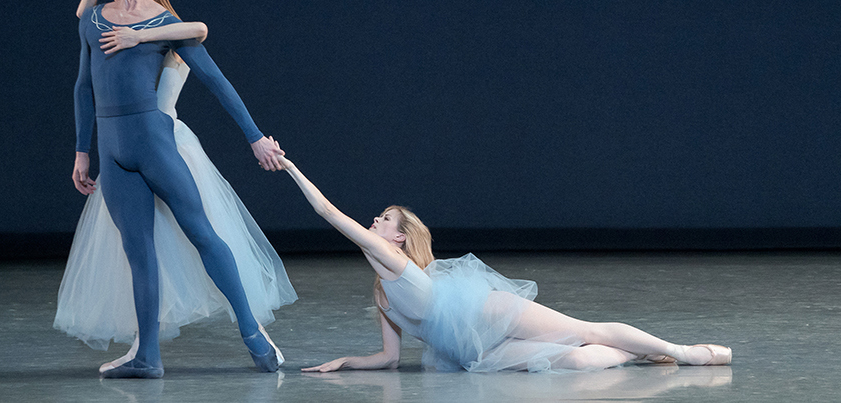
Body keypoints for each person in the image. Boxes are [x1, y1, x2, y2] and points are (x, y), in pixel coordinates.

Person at [276, 155, 732, 373]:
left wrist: (291, 166)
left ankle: (685, 351)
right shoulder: (380, 292)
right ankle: (637, 353)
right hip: (466, 348)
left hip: (485, 312)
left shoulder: (393, 260)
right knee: (567, 363)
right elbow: (390, 359)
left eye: (385, 219)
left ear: (398, 238)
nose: (374, 220)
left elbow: (329, 214)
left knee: (584, 329)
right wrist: (346, 362)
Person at [57, 0, 296, 374]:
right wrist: (82, 151)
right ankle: (148, 355)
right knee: (138, 250)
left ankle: (251, 330)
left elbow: (215, 79)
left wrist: (254, 136)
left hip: (159, 142)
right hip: (113, 149)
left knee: (201, 232)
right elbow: (84, 85)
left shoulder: (168, 26)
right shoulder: (96, 21)